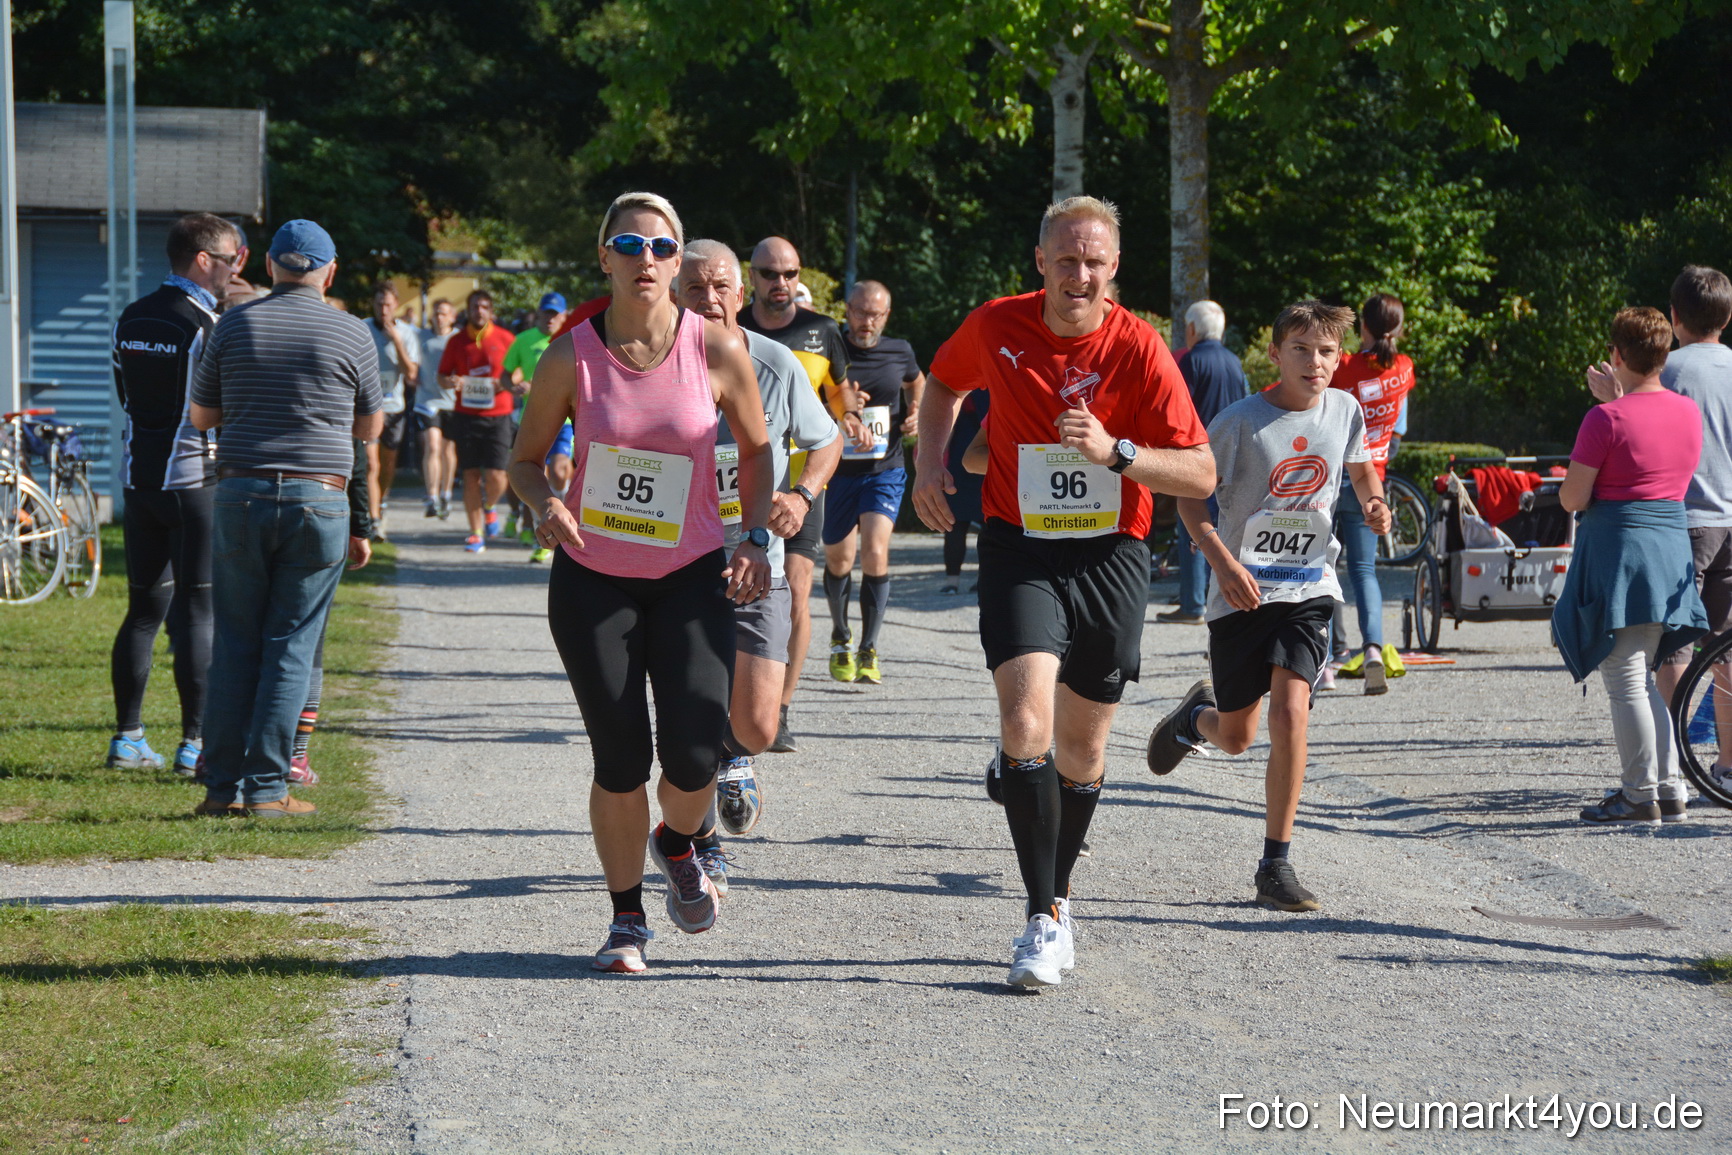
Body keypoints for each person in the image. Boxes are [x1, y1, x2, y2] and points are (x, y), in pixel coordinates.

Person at [914, 196, 1215, 988]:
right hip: (1021, 545)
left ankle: (1062, 889)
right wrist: (928, 463)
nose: (1079, 274)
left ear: (1114, 269)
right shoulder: (996, 325)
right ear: (1040, 260)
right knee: (1024, 723)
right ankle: (1042, 915)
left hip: (1112, 552)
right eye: (1066, 258)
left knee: (1081, 750)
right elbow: (942, 385)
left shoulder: (1142, 348)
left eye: (1094, 262)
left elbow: (1201, 471)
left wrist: (1117, 453)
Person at [509, 192, 773, 974]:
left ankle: (676, 840)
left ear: (678, 258)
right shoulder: (570, 355)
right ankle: (627, 920)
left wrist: (754, 534)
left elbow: (758, 452)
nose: (646, 259)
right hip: (594, 579)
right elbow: (524, 461)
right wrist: (545, 502)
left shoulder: (718, 349)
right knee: (619, 757)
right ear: (606, 258)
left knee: (694, 754)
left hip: (692, 574)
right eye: (629, 244)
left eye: (662, 248)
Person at [1146, 300, 1388, 913]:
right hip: (1241, 590)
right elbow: (1190, 502)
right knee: (1235, 737)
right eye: (1301, 350)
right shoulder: (1237, 423)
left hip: (1309, 589)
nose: (1315, 362)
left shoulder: (1347, 411)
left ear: (1340, 358)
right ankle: (1193, 719)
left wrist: (1377, 500)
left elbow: (1361, 471)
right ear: (1275, 355)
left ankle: (1275, 864)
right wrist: (1223, 563)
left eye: (1327, 351)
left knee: (1291, 714)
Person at [187, 219, 381, 818]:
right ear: (330, 270)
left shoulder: (234, 324)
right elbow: (369, 430)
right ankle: (269, 789)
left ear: (269, 266)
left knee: (236, 641)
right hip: (318, 498)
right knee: (291, 645)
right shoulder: (352, 333)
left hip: (240, 492)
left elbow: (200, 418)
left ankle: (220, 787)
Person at [675, 239, 843, 891]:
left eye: (721, 287)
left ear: (740, 295)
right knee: (686, 718)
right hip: (679, 567)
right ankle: (698, 839)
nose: (709, 299)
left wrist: (801, 496)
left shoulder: (773, 363)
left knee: (758, 723)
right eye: (695, 289)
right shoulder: (653, 363)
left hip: (756, 562)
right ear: (672, 294)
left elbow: (825, 441)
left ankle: (735, 753)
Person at [1555, 307, 1706, 826]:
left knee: (1625, 679)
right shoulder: (1688, 412)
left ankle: (1640, 793)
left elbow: (1573, 498)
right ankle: (1671, 788)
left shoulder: (1603, 419)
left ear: (1617, 355)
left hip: (1621, 551)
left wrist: (1607, 411)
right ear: (1664, 356)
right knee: (1643, 677)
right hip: (1670, 548)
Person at [107, 213, 241, 776]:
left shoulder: (131, 315)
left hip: (139, 481)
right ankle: (194, 744)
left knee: (142, 612)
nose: (238, 271)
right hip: (193, 483)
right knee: (198, 612)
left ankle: (128, 737)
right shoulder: (209, 325)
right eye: (233, 260)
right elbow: (218, 410)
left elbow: (124, 394)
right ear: (203, 259)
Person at [739, 236, 865, 749]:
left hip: (803, 481)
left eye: (789, 274)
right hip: (742, 481)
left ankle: (781, 706)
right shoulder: (732, 326)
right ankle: (737, 692)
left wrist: (851, 413)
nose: (781, 284)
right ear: (753, 278)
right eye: (770, 274)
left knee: (793, 584)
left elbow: (840, 392)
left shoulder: (822, 330)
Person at [1655, 265, 1732, 796]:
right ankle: (1727, 763)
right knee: (1725, 647)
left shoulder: (1667, 369)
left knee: (1673, 644)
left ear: (1674, 317)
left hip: (1685, 519)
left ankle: (1678, 765)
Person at [823, 281, 923, 684]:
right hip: (837, 471)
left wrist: (917, 407)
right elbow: (809, 397)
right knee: (839, 560)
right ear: (848, 310)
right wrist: (841, 408)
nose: (868, 322)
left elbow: (918, 380)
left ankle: (869, 648)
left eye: (877, 314)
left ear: (887, 314)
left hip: (885, 468)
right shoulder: (831, 349)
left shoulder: (900, 350)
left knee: (875, 552)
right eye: (861, 313)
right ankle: (840, 635)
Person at [1320, 292, 1416, 693]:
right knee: (1364, 571)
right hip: (1371, 481)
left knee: (1319, 568)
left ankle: (1324, 663)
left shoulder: (1344, 367)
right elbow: (1401, 431)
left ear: (1363, 328)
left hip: (1327, 477)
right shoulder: (1406, 369)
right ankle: (1373, 650)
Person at [1158, 299, 1248, 625]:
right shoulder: (1235, 362)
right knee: (1222, 527)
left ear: (1192, 329)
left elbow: (1177, 409)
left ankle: (1193, 603)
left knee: (1192, 527)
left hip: (1197, 454)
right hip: (1233, 456)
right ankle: (1220, 595)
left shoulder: (1190, 361)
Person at [439, 289, 516, 553]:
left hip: (498, 416)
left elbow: (517, 372)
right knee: (471, 476)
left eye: (484, 307)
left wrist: (505, 383)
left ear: (491, 311)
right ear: (468, 311)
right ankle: (476, 532)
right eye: (474, 306)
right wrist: (450, 381)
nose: (479, 311)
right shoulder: (456, 341)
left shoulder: (506, 339)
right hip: (466, 416)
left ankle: (491, 507)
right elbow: (442, 376)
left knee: (497, 475)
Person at [503, 291, 570, 559]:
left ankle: (564, 521)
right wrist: (514, 386)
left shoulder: (573, 339)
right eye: (546, 313)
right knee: (533, 476)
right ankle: (542, 533)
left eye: (556, 315)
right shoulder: (523, 340)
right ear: (538, 314)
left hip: (565, 421)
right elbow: (504, 376)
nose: (550, 319)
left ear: (564, 316)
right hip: (533, 419)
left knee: (560, 471)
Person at [365, 283, 420, 542]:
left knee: (387, 465)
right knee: (370, 464)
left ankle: (382, 500)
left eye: (387, 305)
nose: (383, 310)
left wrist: (396, 341)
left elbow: (411, 374)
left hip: (395, 408)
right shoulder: (362, 328)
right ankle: (374, 520)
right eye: (378, 304)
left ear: (396, 304)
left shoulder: (407, 333)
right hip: (368, 408)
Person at [941, 389, 989, 593]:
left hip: (986, 462)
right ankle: (953, 580)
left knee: (988, 526)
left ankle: (983, 577)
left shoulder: (992, 385)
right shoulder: (960, 385)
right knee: (955, 524)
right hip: (961, 463)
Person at [415, 298, 459, 519]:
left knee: (448, 450)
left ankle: (446, 493)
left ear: (452, 317)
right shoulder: (421, 336)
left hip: (452, 402)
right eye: (436, 313)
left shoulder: (458, 339)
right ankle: (431, 496)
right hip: (427, 401)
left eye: (443, 313)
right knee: (432, 446)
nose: (439, 317)